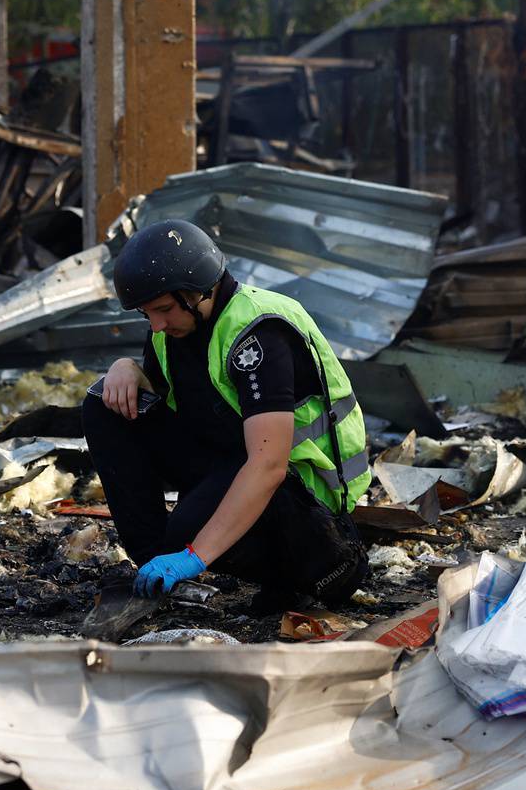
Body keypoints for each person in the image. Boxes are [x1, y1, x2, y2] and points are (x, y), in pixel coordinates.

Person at [79, 219, 370, 617]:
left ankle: (297, 575)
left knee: (187, 536)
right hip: (231, 456)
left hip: (303, 493)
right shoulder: (175, 329)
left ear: (198, 291)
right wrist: (125, 367)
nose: (157, 325)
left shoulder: (258, 335)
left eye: (163, 310)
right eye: (148, 315)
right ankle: (153, 566)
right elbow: (169, 396)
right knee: (102, 404)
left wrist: (195, 556)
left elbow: (268, 464)